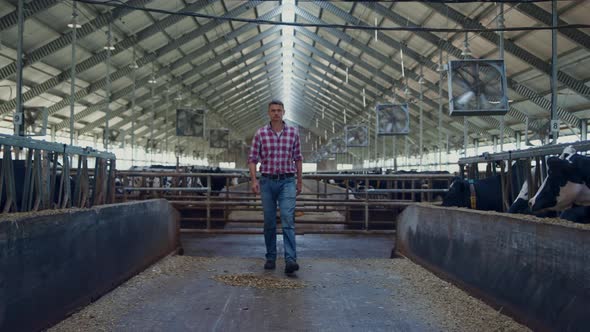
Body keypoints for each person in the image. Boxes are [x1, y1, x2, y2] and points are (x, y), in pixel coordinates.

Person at [247, 99, 303, 274]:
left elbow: (298, 158)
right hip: (267, 182)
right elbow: (252, 159)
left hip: (287, 180)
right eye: (273, 110)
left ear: (284, 112)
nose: (276, 113)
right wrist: (254, 180)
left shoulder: (293, 133)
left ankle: (290, 259)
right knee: (269, 221)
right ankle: (270, 257)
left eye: (279, 110)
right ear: (268, 113)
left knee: (287, 218)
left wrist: (299, 181)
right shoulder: (260, 134)